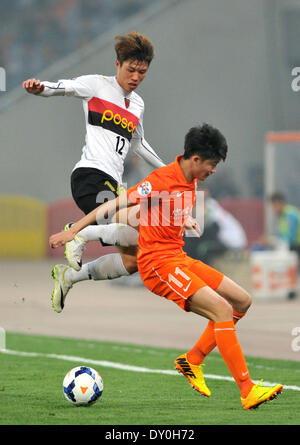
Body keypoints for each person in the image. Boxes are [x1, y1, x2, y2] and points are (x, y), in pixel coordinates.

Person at [49, 123, 283, 410]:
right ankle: (248, 391)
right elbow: (111, 206)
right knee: (222, 310)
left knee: (242, 301)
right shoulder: (160, 179)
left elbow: (166, 206)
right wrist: (74, 231)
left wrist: (181, 219)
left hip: (178, 257)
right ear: (196, 159)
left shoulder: (190, 180)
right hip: (157, 264)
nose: (214, 171)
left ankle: (193, 359)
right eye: (212, 165)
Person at [23, 30, 165, 301]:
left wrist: (170, 170)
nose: (136, 77)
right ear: (117, 64)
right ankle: (77, 232)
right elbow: (60, 88)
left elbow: (138, 143)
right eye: (131, 69)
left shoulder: (137, 104)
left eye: (143, 72)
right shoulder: (97, 85)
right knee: (137, 226)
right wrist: (39, 88)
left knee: (134, 259)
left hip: (114, 183)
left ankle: (69, 277)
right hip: (90, 175)